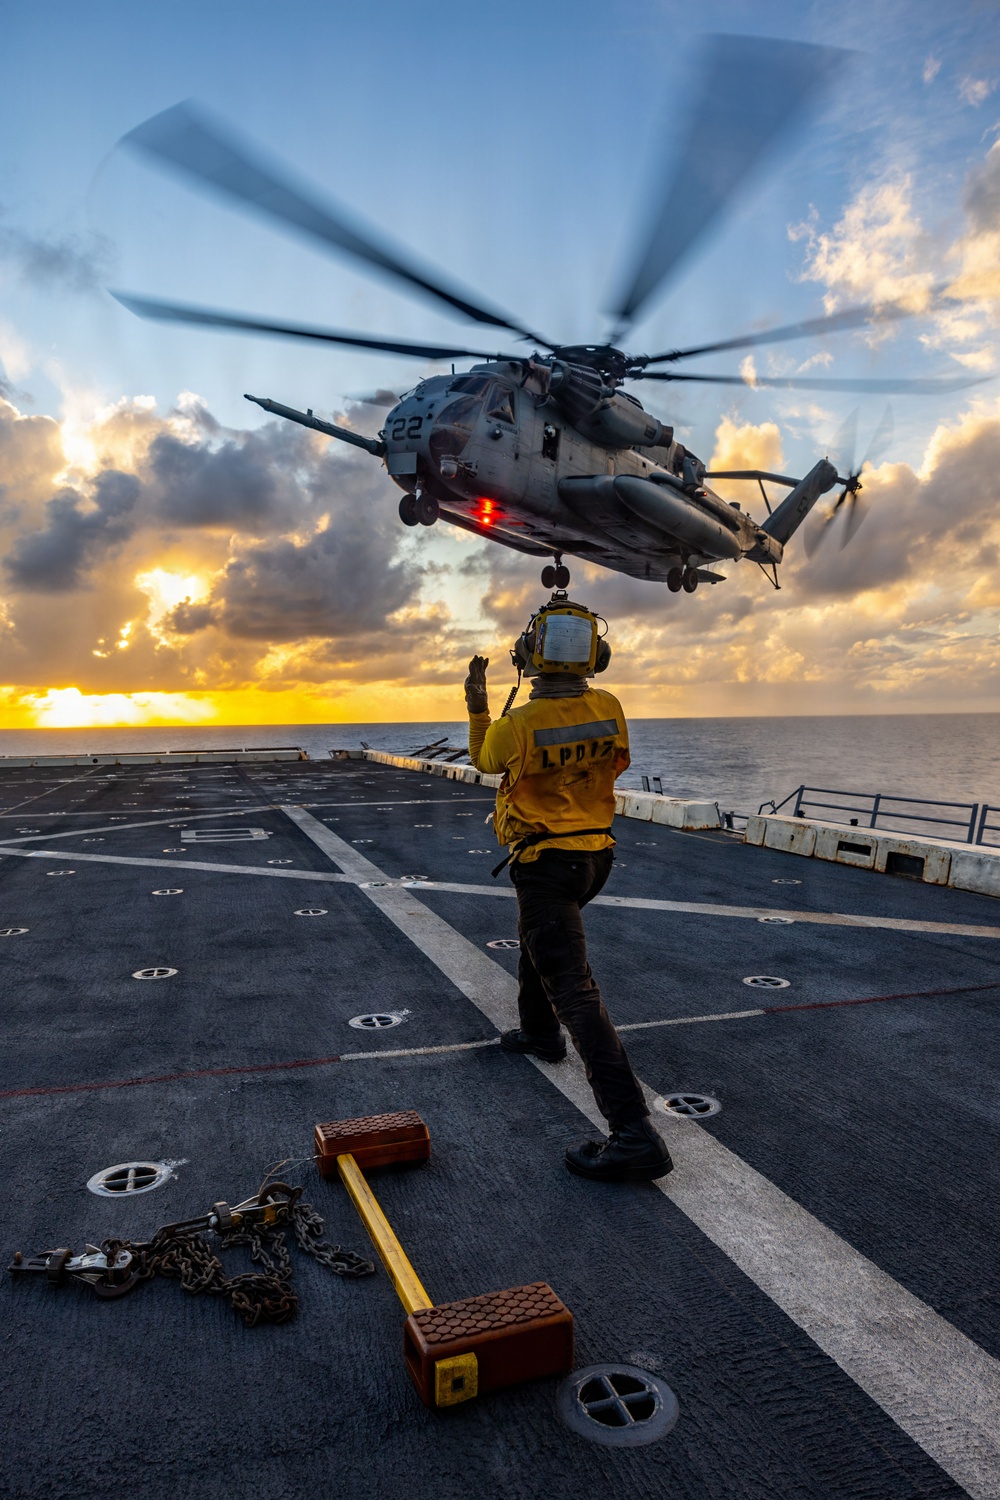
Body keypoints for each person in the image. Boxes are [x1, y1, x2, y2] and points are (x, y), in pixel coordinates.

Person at [465, 596, 672, 1183]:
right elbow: (616, 764)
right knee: (540, 937)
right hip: (595, 857)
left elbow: (485, 760)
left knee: (576, 992)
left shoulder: (519, 724)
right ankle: (538, 1031)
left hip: (546, 861)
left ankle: (634, 1133)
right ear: (595, 656)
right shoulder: (609, 706)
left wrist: (478, 704)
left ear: (530, 655)